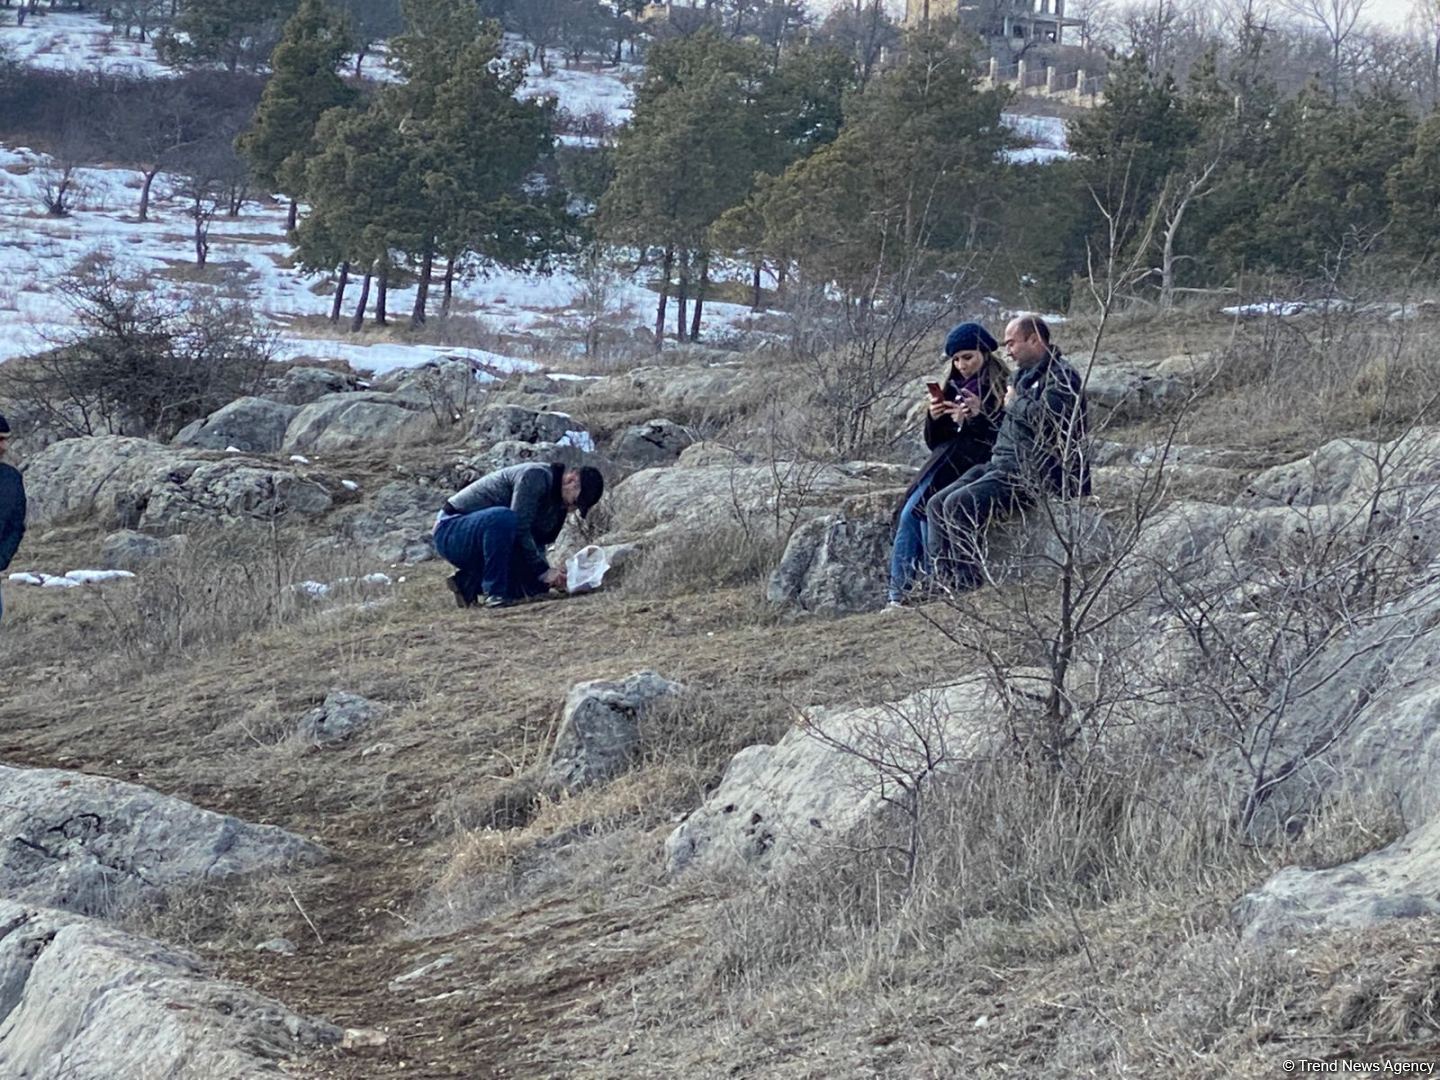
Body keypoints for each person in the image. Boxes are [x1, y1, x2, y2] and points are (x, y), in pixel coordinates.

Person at [925, 314, 1089, 591]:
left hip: (1033, 471)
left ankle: (967, 586)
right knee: (936, 504)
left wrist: (1016, 403)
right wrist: (977, 416)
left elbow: (1053, 424)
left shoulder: (1062, 377)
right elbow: (1006, 428)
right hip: (1002, 463)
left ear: (1034, 339)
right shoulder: (1023, 377)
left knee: (958, 505)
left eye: (1012, 343)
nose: (1008, 351)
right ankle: (947, 584)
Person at [887, 321, 1008, 607]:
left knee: (928, 516)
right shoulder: (954, 387)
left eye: (968, 357)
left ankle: (933, 585)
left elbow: (1000, 437)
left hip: (971, 467)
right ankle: (899, 593)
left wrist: (975, 417)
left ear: (984, 353)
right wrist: (936, 415)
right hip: (942, 464)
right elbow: (936, 441)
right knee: (909, 516)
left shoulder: (1001, 387)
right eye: (956, 359)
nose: (962, 364)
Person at [434, 462, 604, 609]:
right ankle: (495, 594)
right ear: (571, 479)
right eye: (575, 502)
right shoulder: (534, 476)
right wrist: (542, 570)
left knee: (536, 587)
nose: (572, 509)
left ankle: (467, 583)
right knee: (504, 518)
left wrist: (553, 576)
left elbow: (535, 541)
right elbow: (520, 527)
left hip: (487, 538)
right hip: (451, 531)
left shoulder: (557, 504)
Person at [0, 413, 26, 626]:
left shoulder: (11, 479)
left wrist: (2, 558)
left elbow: (16, 526)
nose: (4, 446)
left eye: (5, 440)